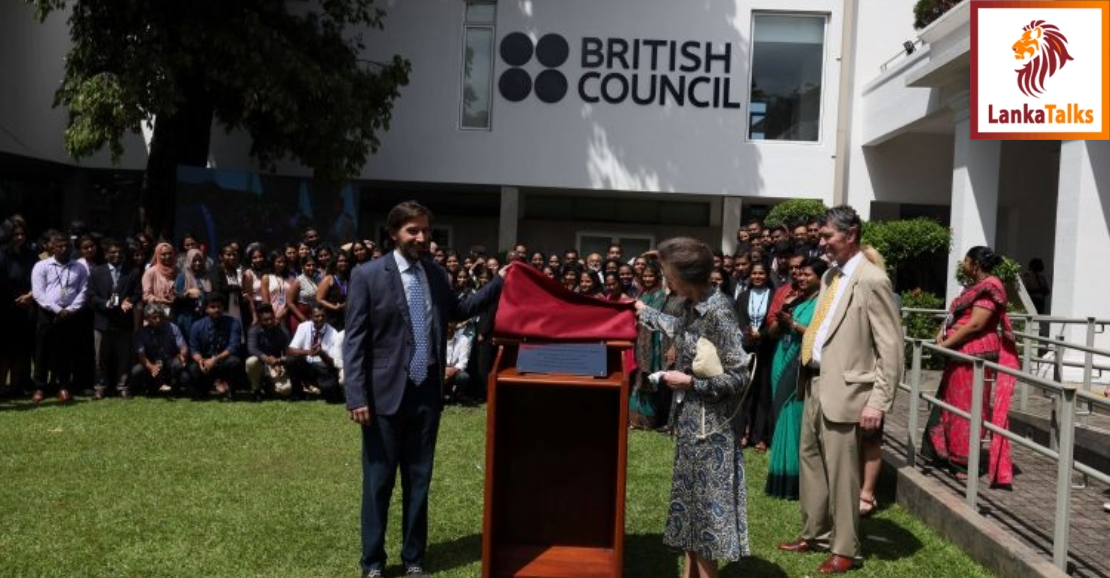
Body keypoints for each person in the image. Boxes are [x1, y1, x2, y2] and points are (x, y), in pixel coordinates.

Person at [343, 200, 506, 578]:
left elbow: (460, 310)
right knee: (378, 483)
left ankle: (414, 558)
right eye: (412, 230)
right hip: (382, 396)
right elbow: (354, 340)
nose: (421, 237)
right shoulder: (367, 275)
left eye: (426, 231)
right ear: (393, 233)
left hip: (426, 394)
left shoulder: (435, 275)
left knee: (419, 481)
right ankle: (373, 562)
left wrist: (499, 282)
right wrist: (356, 396)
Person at [778, 205, 903, 575]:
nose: (821, 243)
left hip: (849, 392)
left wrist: (878, 402)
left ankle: (845, 549)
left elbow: (891, 348)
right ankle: (814, 533)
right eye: (820, 236)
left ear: (851, 235)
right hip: (815, 383)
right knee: (811, 462)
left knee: (843, 474)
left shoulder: (873, 280)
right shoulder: (832, 275)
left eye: (827, 236)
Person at [634, 237, 751, 578]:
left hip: (711, 430)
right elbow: (683, 333)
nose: (665, 280)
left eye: (668, 273)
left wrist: (691, 384)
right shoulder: (691, 305)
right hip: (690, 424)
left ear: (685, 275)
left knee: (708, 517)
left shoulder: (719, 310)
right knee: (692, 514)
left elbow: (740, 376)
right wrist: (647, 314)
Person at [921, 246, 1018, 488]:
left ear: (975, 263)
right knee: (950, 406)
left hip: (972, 355)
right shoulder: (974, 286)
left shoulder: (991, 286)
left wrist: (945, 345)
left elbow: (976, 325)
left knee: (967, 408)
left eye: (965, 260)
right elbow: (955, 317)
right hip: (958, 354)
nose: (963, 264)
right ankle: (946, 454)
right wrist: (940, 336)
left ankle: (963, 462)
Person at [765, 257, 825, 499]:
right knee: (780, 414)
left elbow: (819, 335)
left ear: (821, 279)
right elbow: (772, 332)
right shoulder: (795, 298)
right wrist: (783, 318)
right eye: (799, 274)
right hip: (782, 356)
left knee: (794, 416)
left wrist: (794, 324)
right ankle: (778, 475)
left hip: (802, 364)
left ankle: (795, 480)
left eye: (807, 275)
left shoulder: (823, 304)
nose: (800, 278)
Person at [30, 231, 90, 405]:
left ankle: (63, 386)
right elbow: (38, 293)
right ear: (52, 248)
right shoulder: (41, 266)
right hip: (47, 313)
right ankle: (40, 387)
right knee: (42, 351)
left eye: (66, 246)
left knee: (65, 351)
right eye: (59, 246)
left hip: (70, 314)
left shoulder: (79, 267)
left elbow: (83, 291)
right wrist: (57, 309)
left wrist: (70, 309)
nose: (64, 249)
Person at [87, 238, 142, 399]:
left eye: (119, 252)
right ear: (105, 255)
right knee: (100, 358)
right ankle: (100, 386)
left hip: (124, 322)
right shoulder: (97, 272)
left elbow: (138, 292)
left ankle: (122, 386)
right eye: (112, 252)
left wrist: (130, 301)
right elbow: (91, 296)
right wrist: (105, 303)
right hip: (103, 322)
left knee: (124, 357)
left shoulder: (133, 271)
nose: (116, 255)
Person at [630, 260, 667, 429]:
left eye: (651, 275)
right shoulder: (642, 293)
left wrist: (642, 311)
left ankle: (648, 421)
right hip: (639, 340)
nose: (647, 278)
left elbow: (655, 316)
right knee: (637, 377)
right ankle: (634, 419)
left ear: (657, 276)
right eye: (644, 276)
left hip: (652, 342)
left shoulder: (660, 295)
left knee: (648, 377)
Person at [187, 294, 245, 399]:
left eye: (219, 306)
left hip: (223, 359)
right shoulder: (197, 325)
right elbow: (194, 349)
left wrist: (215, 359)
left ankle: (229, 390)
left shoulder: (234, 323)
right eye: (213, 307)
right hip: (206, 361)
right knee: (193, 368)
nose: (216, 309)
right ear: (206, 309)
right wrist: (200, 361)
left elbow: (233, 346)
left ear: (223, 308)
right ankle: (203, 390)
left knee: (234, 362)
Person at [131, 304, 192, 395]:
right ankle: (150, 387)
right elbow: (141, 354)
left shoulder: (173, 327)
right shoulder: (141, 332)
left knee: (182, 371)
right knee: (136, 371)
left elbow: (183, 346)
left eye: (160, 316)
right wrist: (151, 367)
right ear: (147, 318)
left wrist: (183, 355)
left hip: (169, 361)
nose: (158, 320)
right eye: (154, 318)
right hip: (152, 362)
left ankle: (174, 386)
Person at [287, 303, 341, 401]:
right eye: (317, 316)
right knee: (291, 360)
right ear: (310, 316)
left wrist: (321, 353)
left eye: (322, 316)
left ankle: (320, 387)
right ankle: (297, 393)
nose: (320, 318)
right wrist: (308, 351)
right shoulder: (303, 327)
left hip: (323, 369)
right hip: (306, 366)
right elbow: (291, 350)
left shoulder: (334, 333)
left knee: (333, 398)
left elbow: (334, 363)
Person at [246, 303, 291, 400]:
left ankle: (269, 387)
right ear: (259, 320)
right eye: (265, 320)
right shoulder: (253, 330)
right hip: (261, 364)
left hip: (277, 364)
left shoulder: (282, 331)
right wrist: (268, 359)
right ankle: (256, 390)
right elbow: (252, 349)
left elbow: (289, 352)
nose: (270, 322)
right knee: (251, 361)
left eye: (271, 318)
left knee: (286, 390)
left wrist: (279, 361)